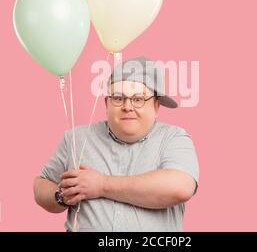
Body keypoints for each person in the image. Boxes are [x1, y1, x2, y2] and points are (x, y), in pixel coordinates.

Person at [33, 56, 199, 231]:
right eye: (119, 98)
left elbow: (179, 187)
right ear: (106, 103)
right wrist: (61, 196)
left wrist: (102, 185)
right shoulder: (76, 138)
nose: (128, 107)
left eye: (138, 99)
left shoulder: (174, 138)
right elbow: (41, 185)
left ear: (156, 106)